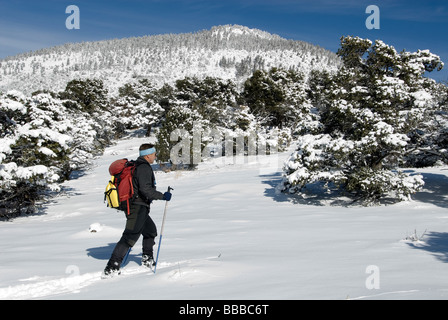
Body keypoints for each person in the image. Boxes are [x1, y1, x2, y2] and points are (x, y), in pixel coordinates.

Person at [103, 143, 172, 277]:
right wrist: (163, 196)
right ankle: (112, 267)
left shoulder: (138, 166)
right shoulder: (144, 168)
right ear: (147, 155)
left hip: (138, 206)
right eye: (154, 154)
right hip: (137, 206)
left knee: (150, 231)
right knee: (130, 236)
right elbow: (145, 190)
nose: (155, 156)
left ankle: (147, 259)